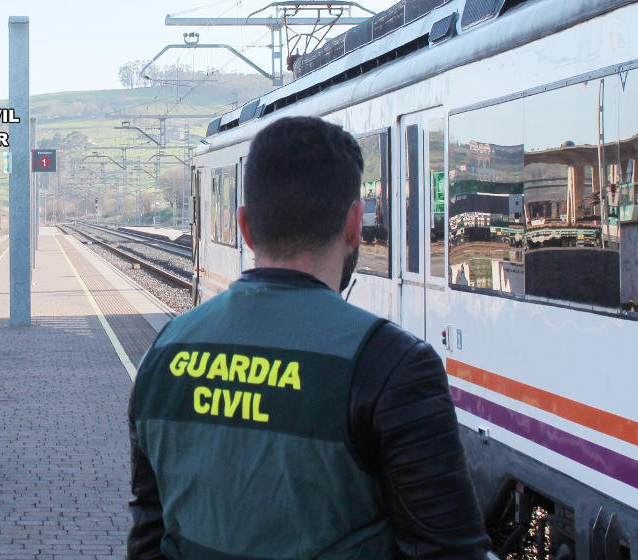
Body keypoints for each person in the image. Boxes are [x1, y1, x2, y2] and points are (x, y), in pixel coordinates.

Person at [127, 116, 490, 560]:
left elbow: (148, 534)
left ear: (244, 226)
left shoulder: (165, 351)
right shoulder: (394, 365)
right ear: (355, 224)